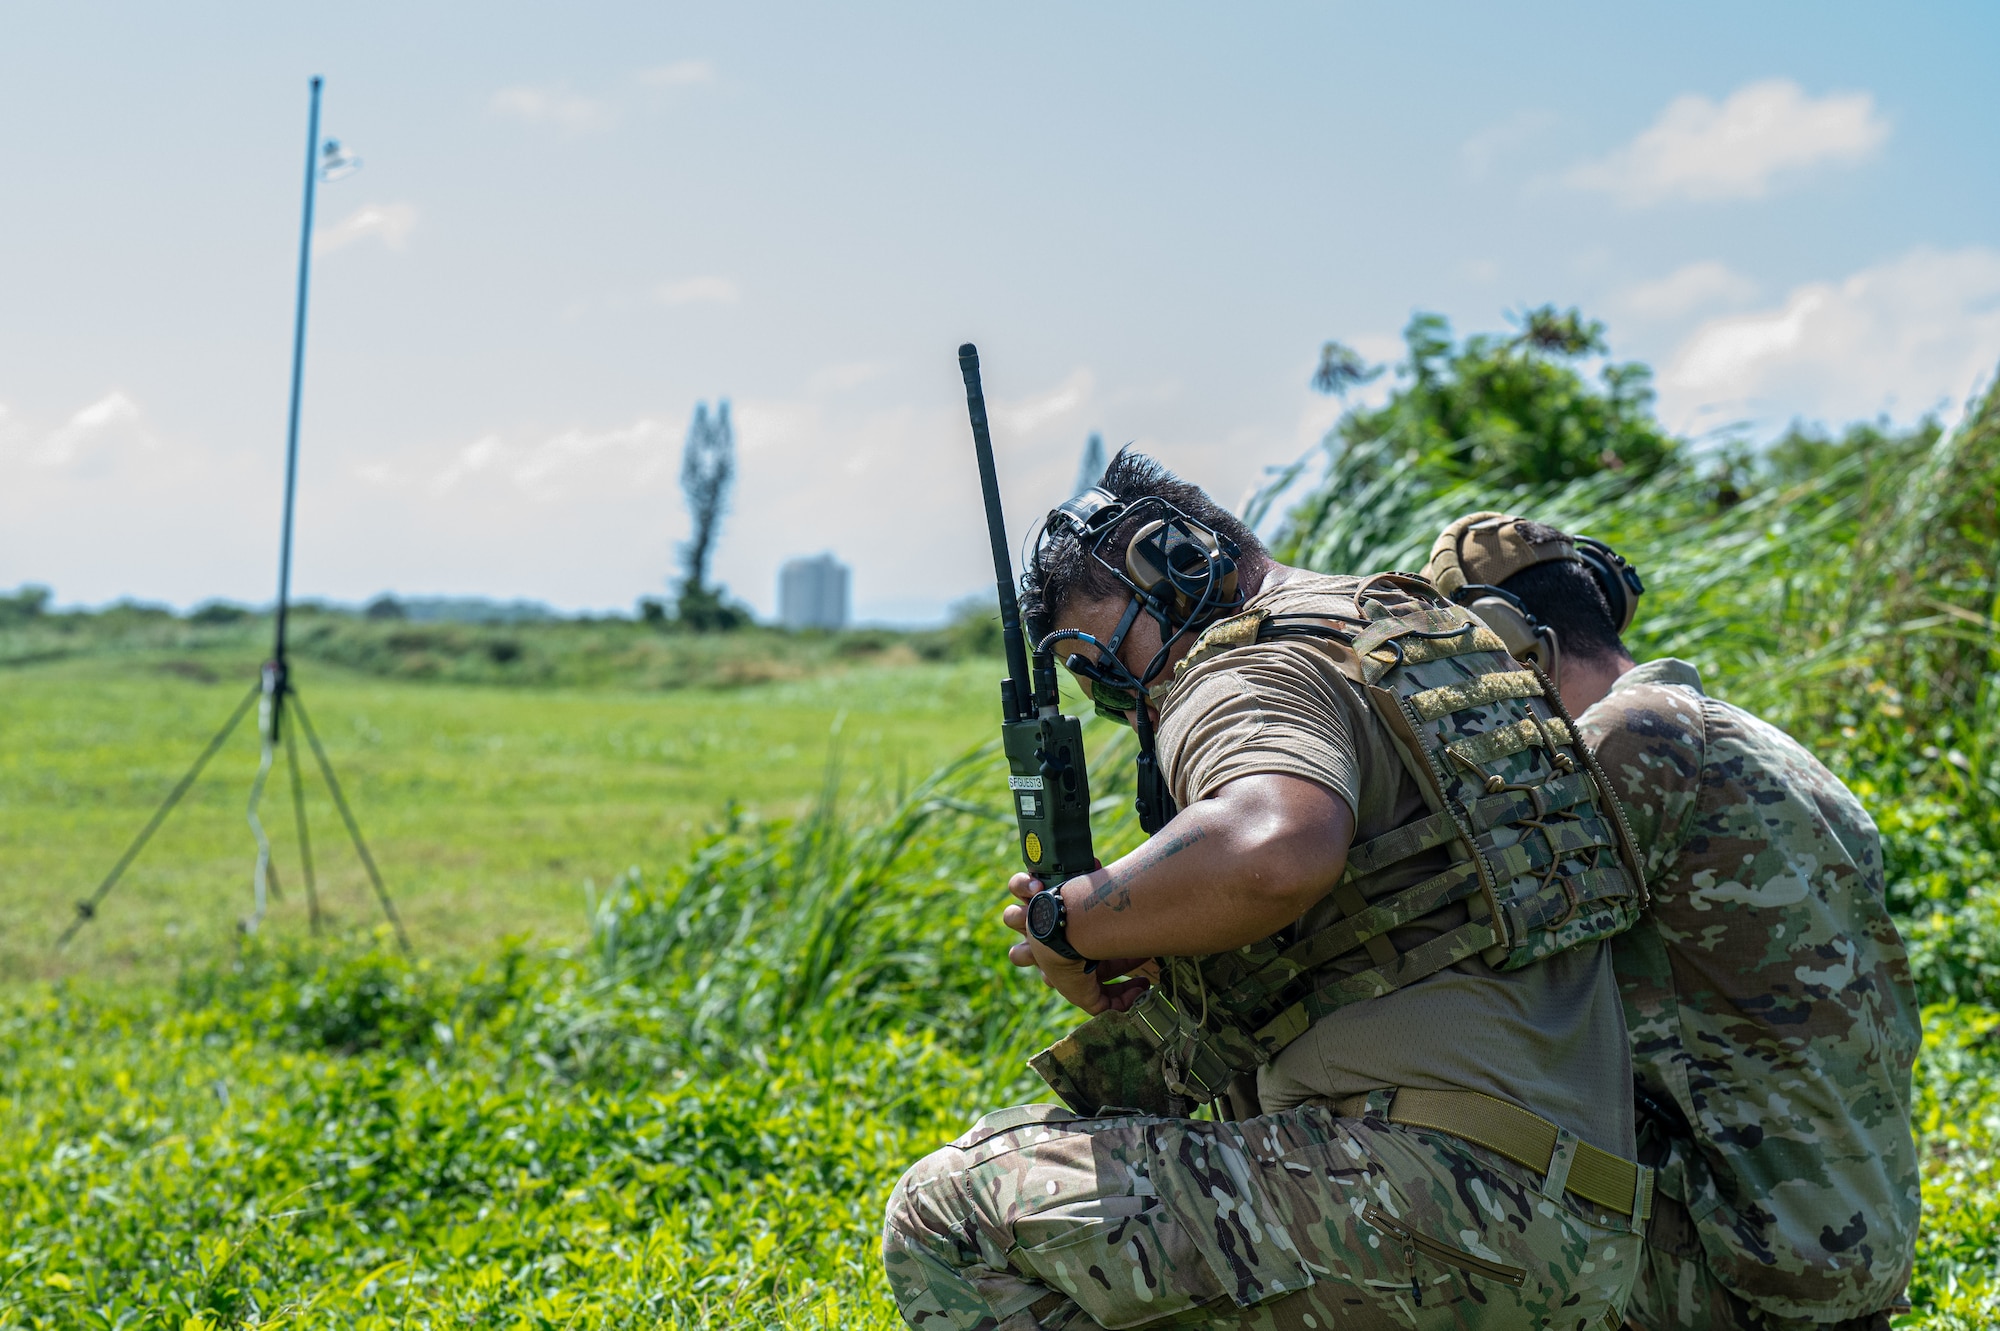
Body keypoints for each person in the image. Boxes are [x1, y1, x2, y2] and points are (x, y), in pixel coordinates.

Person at [881, 452, 1656, 1331]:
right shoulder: (1413, 637)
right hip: (1590, 1231)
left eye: (1103, 658)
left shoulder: (1242, 668)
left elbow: (1275, 847)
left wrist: (1068, 918)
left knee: (950, 1208)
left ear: (1173, 564)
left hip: (1437, 1209)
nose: (1120, 696)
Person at [1422, 513, 1920, 1331]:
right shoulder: (1766, 741)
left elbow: (1461, 935)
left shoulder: (1627, 736)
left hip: (1750, 1271)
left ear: (1513, 649)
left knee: (1393, 1186)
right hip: (1849, 1255)